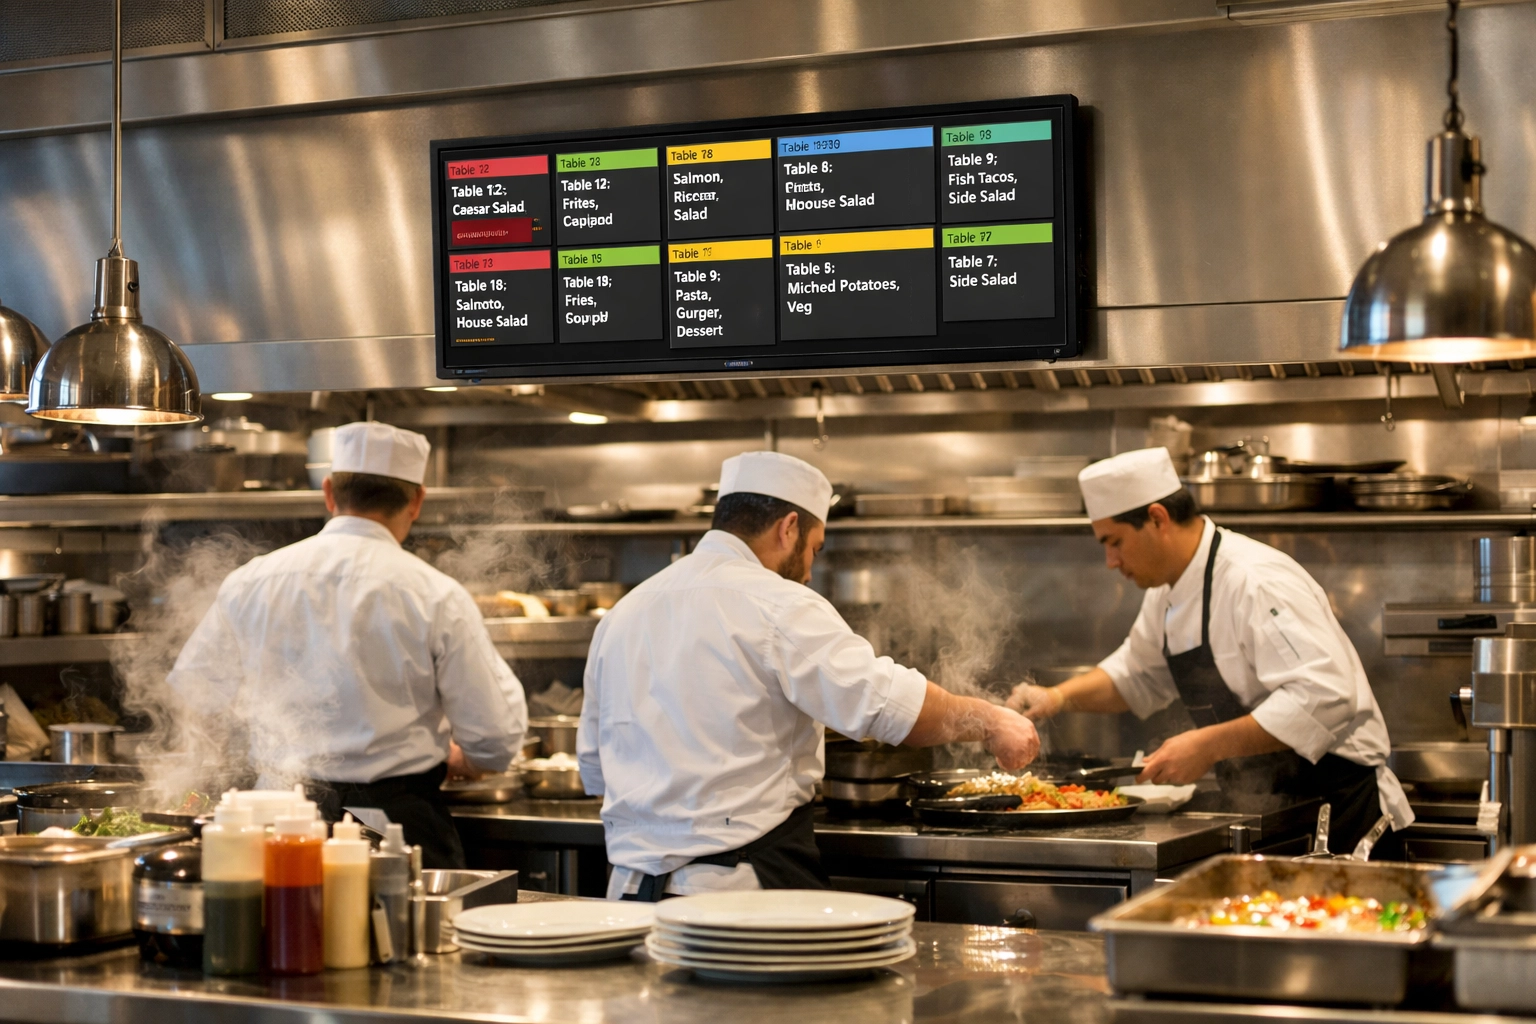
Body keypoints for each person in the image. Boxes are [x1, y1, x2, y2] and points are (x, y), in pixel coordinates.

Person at [578, 450, 1040, 901]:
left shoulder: (622, 613)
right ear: (789, 528)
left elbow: (596, 772)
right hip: (737, 899)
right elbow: (890, 707)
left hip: (629, 897)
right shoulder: (777, 603)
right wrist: (993, 720)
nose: (810, 572)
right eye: (815, 549)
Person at [1009, 447, 1412, 856]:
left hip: (1341, 820)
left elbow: (1326, 695)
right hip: (1269, 816)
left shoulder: (1254, 580)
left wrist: (1208, 745)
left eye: (1114, 542)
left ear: (1157, 519)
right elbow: (1136, 674)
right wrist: (1057, 697)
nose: (1110, 561)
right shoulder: (1168, 588)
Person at [168, 421, 527, 868]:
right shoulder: (434, 594)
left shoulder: (252, 580)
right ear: (416, 501)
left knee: (281, 934)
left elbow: (197, 697)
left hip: (277, 820)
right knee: (401, 936)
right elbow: (495, 737)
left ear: (329, 493)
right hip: (396, 829)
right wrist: (466, 757)